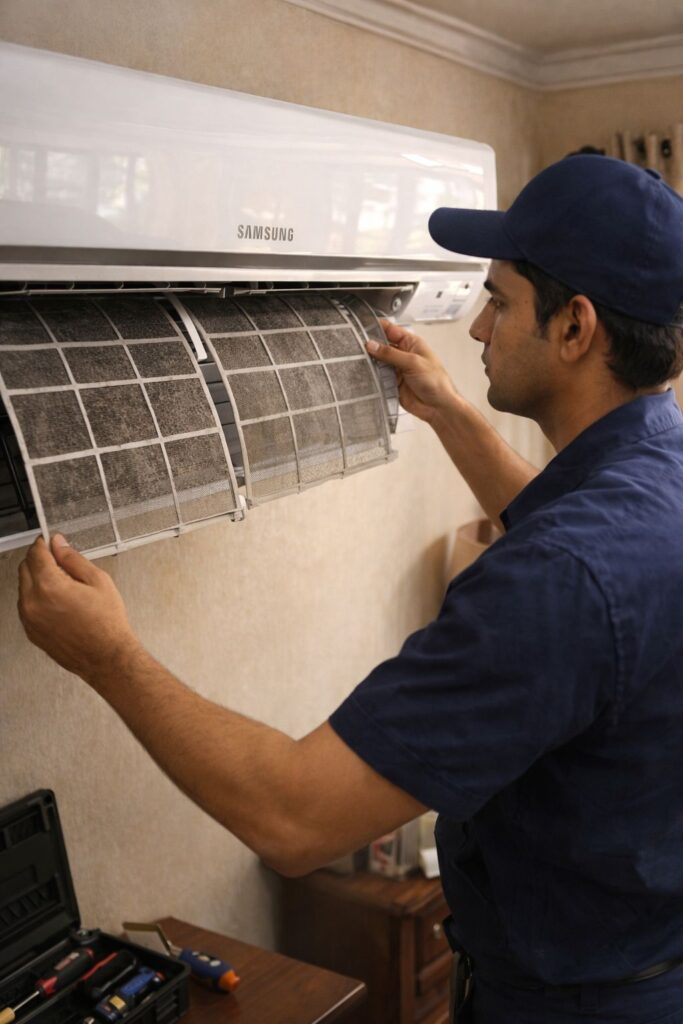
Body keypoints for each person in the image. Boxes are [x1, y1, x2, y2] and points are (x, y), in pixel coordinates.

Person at [18, 154, 683, 1023]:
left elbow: (292, 819)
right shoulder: (655, 476)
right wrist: (449, 412)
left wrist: (106, 655)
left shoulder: (557, 577)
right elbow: (578, 545)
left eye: (499, 300)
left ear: (574, 327)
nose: (478, 330)